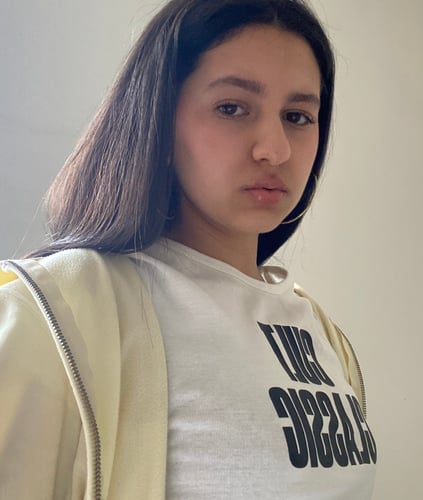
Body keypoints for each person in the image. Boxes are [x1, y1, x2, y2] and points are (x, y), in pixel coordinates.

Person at [0, 0, 377, 498]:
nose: (275, 149)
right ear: (159, 117)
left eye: (297, 116)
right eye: (232, 108)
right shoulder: (47, 316)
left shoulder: (324, 337)